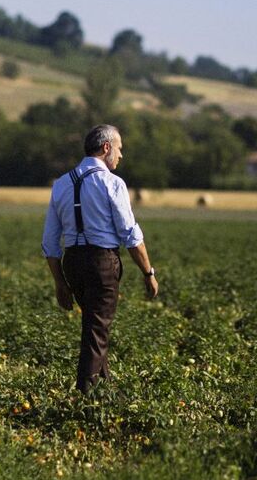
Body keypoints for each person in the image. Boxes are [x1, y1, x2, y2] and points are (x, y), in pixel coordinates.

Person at [42, 124, 158, 393]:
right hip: (101, 263)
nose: (121, 155)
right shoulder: (112, 183)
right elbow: (130, 234)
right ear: (106, 147)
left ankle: (105, 390)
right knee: (96, 331)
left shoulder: (61, 184)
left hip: (72, 264)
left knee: (94, 325)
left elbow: (50, 242)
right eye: (119, 149)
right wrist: (148, 272)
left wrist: (60, 282)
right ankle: (85, 399)